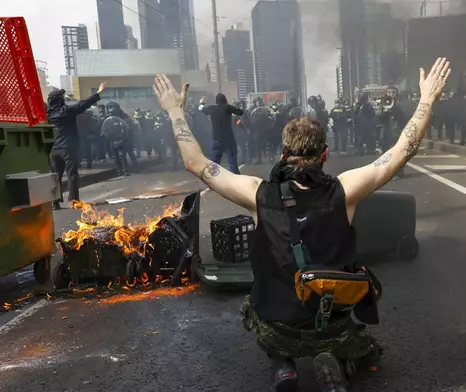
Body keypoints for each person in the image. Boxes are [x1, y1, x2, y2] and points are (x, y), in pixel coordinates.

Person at [152, 57, 450, 392]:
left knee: (255, 307)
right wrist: (426, 100)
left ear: (282, 156)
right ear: (324, 155)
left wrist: (175, 110)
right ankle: (335, 358)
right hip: (332, 324)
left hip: (280, 325)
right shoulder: (345, 190)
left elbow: (196, 162)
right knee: (366, 349)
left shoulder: (257, 194)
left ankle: (283, 366)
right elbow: (400, 152)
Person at [47, 82, 105, 209]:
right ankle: (73, 200)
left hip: (54, 149)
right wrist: (98, 93)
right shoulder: (67, 111)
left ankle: (54, 202)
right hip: (69, 147)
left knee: (55, 176)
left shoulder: (48, 114)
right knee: (72, 174)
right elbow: (83, 104)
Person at [199, 93, 244, 174]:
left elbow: (200, 109)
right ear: (225, 100)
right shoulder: (228, 107)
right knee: (232, 163)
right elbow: (240, 112)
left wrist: (201, 103)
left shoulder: (212, 108)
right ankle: (237, 182)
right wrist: (240, 107)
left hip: (216, 140)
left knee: (213, 165)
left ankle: (212, 184)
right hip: (229, 140)